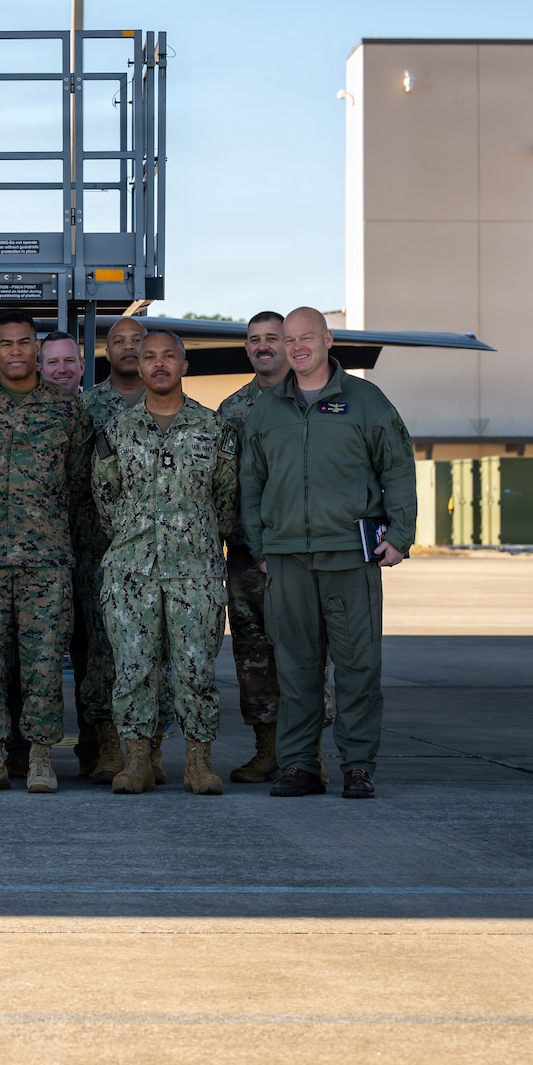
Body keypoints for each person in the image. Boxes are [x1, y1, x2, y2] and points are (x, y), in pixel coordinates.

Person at [240, 306, 417, 800]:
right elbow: (250, 484)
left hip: (350, 558)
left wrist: (400, 535)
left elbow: (398, 469)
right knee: (296, 670)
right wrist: (261, 547)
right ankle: (300, 766)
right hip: (288, 559)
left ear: (328, 339)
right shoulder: (267, 408)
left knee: (358, 668)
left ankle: (357, 766)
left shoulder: (366, 401)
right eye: (289, 339)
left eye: (306, 337)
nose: (296, 347)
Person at [93, 331, 238, 795]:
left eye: (168, 356)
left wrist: (194, 537)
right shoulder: (116, 431)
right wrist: (135, 535)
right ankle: (136, 761)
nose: (158, 364)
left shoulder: (215, 430)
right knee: (133, 669)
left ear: (184, 366)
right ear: (138, 365)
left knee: (196, 669)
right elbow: (105, 498)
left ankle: (198, 764)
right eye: (149, 357)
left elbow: (226, 501)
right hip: (131, 570)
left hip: (195, 571)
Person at [0, 310, 91, 794]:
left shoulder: (68, 411)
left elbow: (78, 483)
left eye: (23, 342)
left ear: (37, 349)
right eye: (5, 343)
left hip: (46, 559)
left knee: (44, 661)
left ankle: (38, 759)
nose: (15, 351)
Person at [77, 314, 170, 784]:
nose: (130, 348)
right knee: (105, 652)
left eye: (140, 341)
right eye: (120, 341)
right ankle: (111, 745)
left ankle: (152, 747)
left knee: (162, 654)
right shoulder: (87, 407)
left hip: (167, 553)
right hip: (103, 552)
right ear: (106, 352)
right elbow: (79, 484)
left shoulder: (177, 409)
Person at [215, 311, 288, 782]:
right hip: (243, 554)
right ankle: (266, 750)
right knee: (252, 656)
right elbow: (221, 484)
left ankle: (306, 751)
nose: (263, 346)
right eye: (254, 340)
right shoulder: (233, 408)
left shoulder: (309, 400)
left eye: (272, 338)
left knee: (303, 653)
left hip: (296, 552)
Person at [37, 327, 99, 779]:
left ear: (81, 365)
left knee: (97, 657)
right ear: (40, 367)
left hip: (96, 555)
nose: (61, 369)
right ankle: (29, 752)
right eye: (52, 362)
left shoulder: (104, 412)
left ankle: (99, 752)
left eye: (68, 361)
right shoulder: (30, 413)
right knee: (37, 658)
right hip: (43, 557)